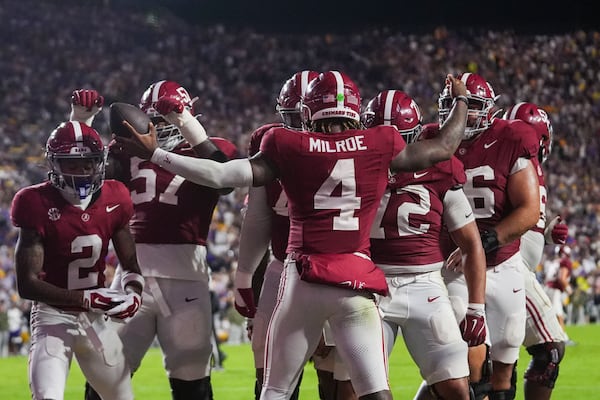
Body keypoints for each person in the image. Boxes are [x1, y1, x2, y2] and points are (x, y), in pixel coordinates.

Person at [114, 70, 469, 400]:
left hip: (303, 282)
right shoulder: (377, 142)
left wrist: (156, 154)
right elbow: (443, 148)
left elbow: (223, 176)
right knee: (375, 390)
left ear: (308, 112)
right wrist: (461, 102)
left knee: (275, 389)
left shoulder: (289, 144)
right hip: (355, 281)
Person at [77, 82, 238, 400]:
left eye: (168, 120)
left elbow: (225, 180)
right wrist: (81, 123)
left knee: (192, 385)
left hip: (185, 281)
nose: (160, 128)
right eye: (154, 121)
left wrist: (185, 124)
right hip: (132, 276)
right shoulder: (122, 152)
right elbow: (83, 190)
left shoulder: (210, 149)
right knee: (103, 376)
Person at [363, 90, 487, 400]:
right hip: (369, 286)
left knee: (457, 388)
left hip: (425, 285)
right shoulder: (352, 165)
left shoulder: (440, 169)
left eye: (402, 138)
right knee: (358, 389)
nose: (394, 148)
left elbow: (471, 243)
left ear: (417, 135)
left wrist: (476, 308)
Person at [11, 120, 144, 400]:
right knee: (48, 395)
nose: (83, 171)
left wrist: (134, 294)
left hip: (95, 319)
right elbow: (27, 285)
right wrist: (86, 298)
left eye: (89, 163)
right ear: (55, 164)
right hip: (52, 315)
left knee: (123, 397)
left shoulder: (115, 195)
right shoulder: (34, 201)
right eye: (72, 164)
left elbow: (131, 265)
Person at [431, 72, 540, 400]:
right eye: (449, 104)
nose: (459, 112)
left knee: (507, 350)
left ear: (490, 110)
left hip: (502, 261)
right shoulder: (431, 140)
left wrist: (485, 241)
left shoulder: (511, 138)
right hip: (454, 266)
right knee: (468, 347)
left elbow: (529, 210)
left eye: (469, 106)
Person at [236, 70, 319, 399]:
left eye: (305, 117)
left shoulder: (349, 147)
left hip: (337, 268)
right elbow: (258, 220)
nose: (299, 126)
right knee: (266, 359)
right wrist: (245, 280)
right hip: (283, 266)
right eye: (292, 118)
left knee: (339, 372)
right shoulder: (269, 143)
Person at [503, 102, 569, 400]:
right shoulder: (514, 163)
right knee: (550, 349)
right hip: (506, 267)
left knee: (494, 366)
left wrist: (544, 232)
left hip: (509, 265)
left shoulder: (524, 165)